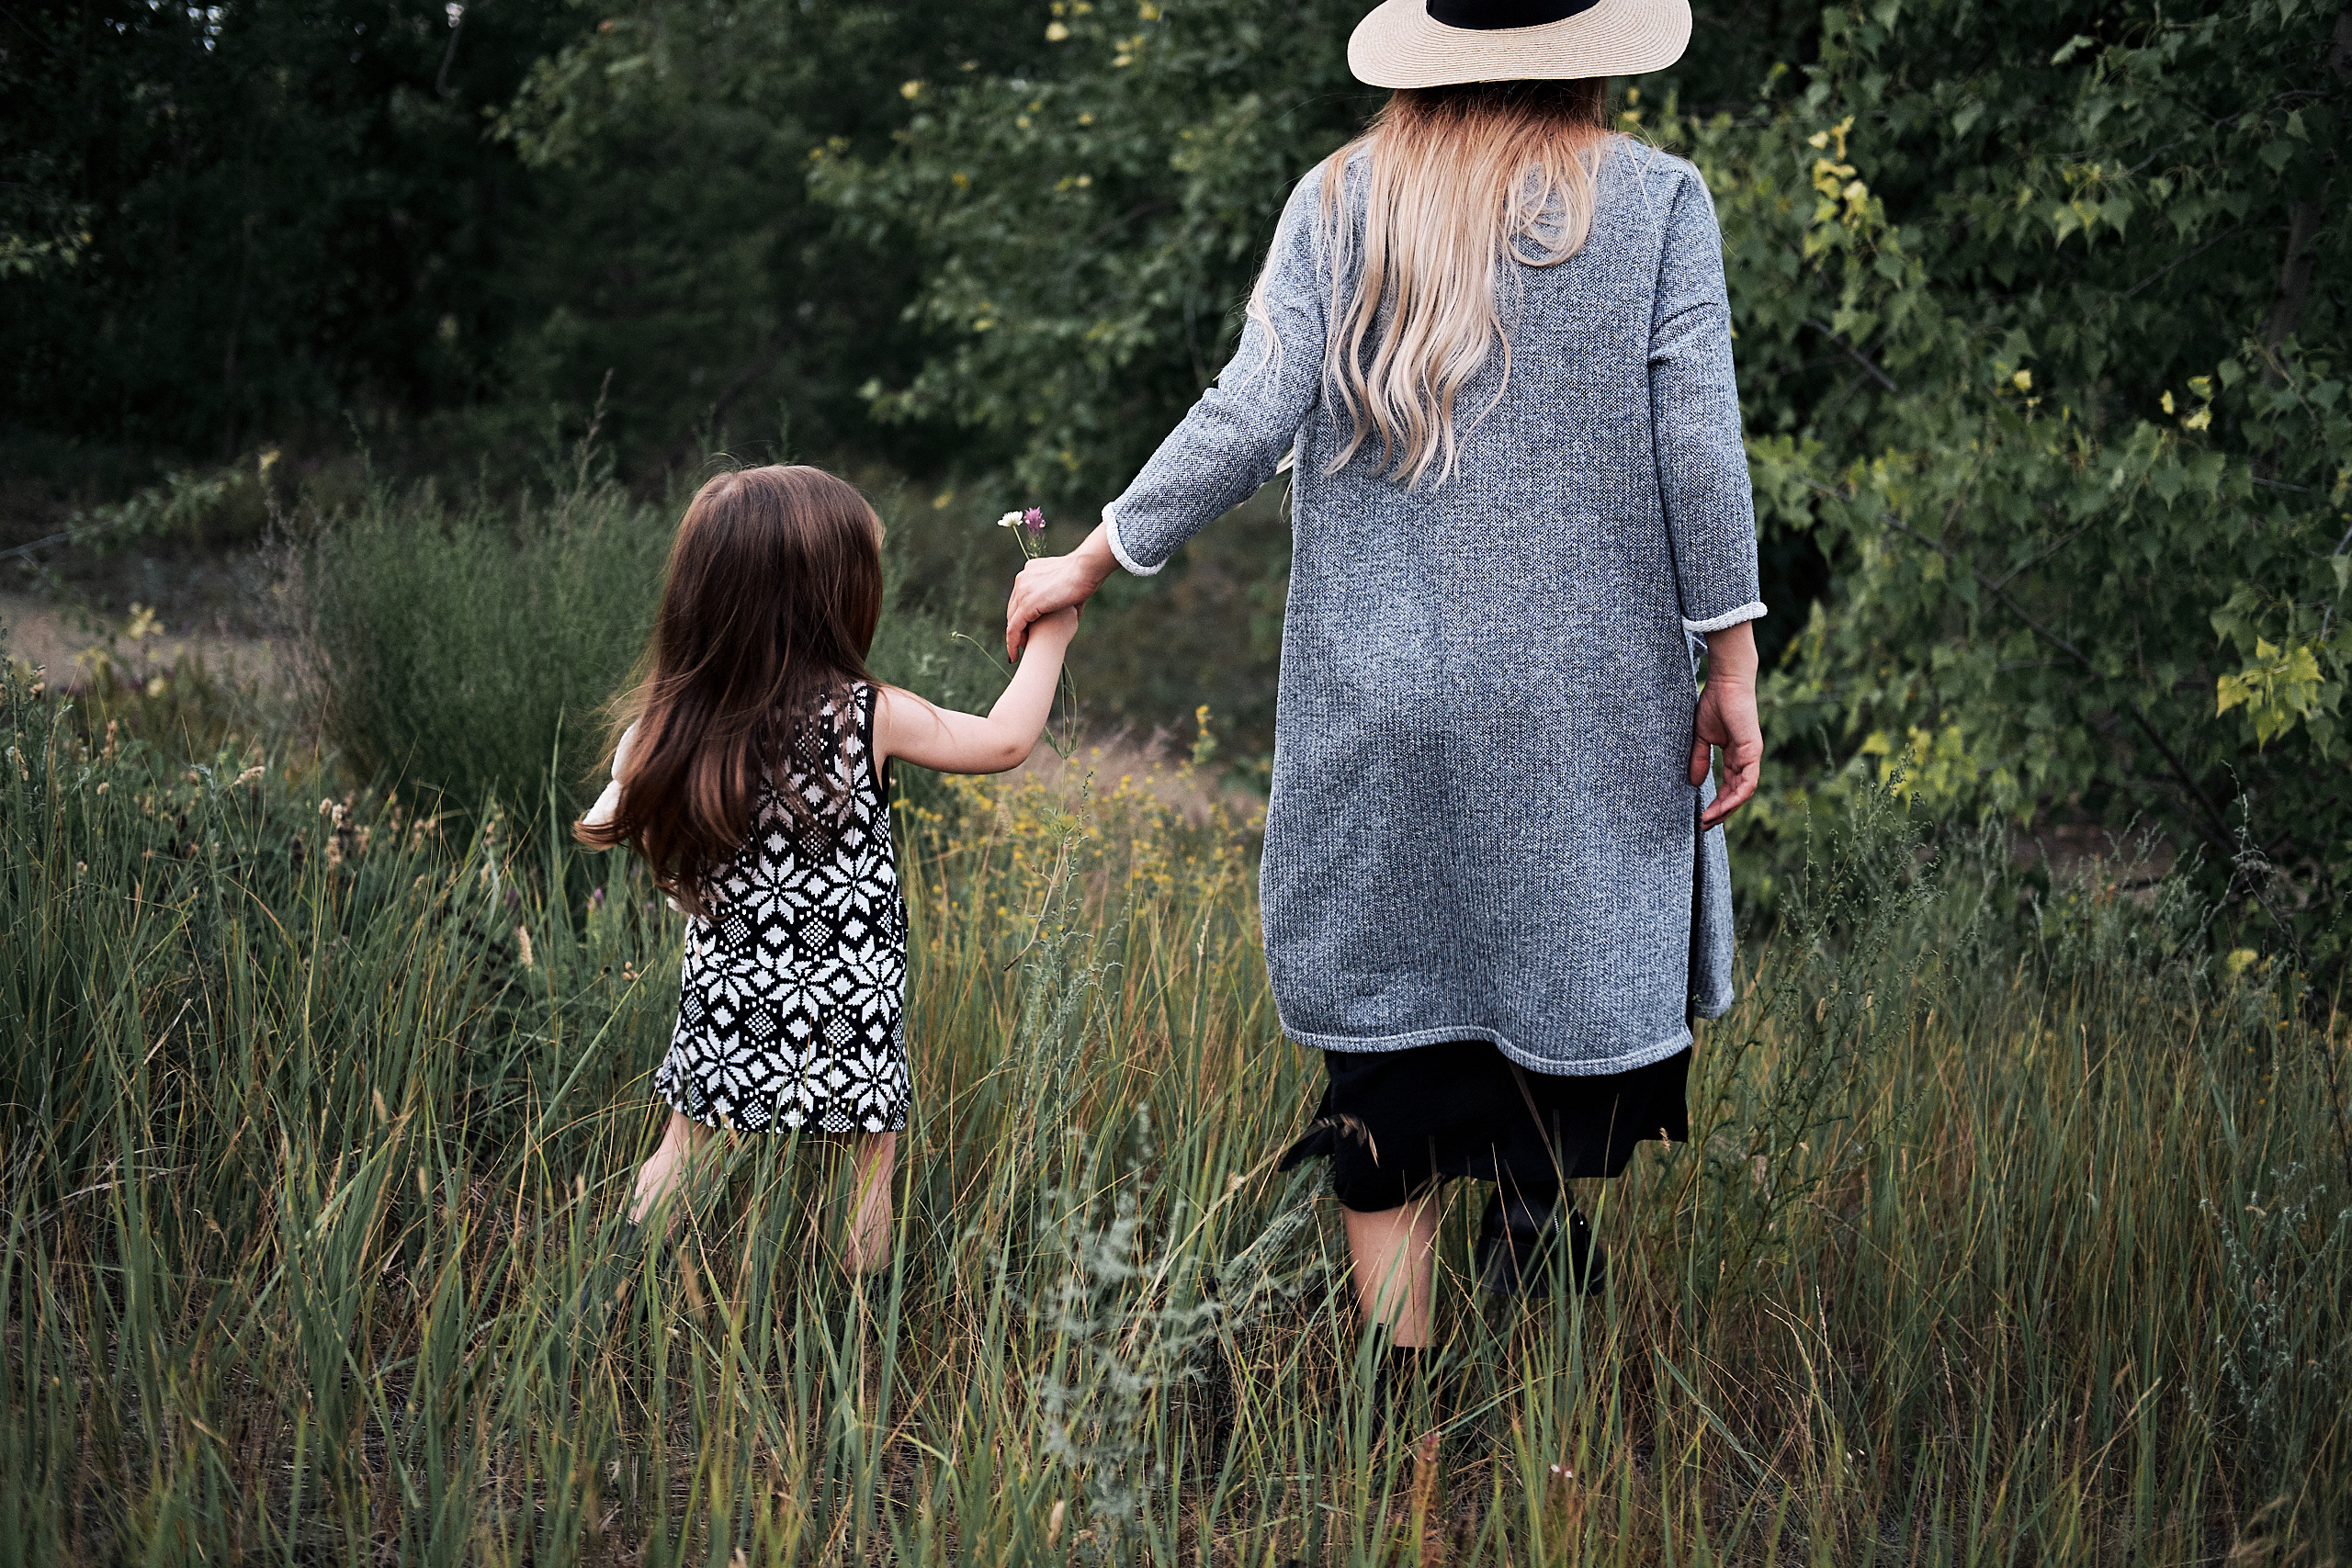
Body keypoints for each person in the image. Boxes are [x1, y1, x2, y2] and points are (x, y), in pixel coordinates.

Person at [1003, 0, 1760, 1412]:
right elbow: (1701, 453)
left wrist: (1096, 551)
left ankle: (1404, 1404)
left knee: (1396, 1018)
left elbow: (1246, 409)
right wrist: (1732, 662)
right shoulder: (1657, 203)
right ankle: (1533, 1236)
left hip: (1383, 694)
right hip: (1579, 700)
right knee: (1558, 967)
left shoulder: (1340, 200)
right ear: (1591, 49)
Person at [580, 464, 1077, 1274]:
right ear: (829, 598)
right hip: (853, 990)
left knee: (685, 1151)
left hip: (730, 984)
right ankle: (856, 1336)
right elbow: (1006, 740)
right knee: (866, 1174)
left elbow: (628, 822)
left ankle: (608, 1287)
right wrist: (1053, 633)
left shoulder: (676, 722)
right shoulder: (864, 713)